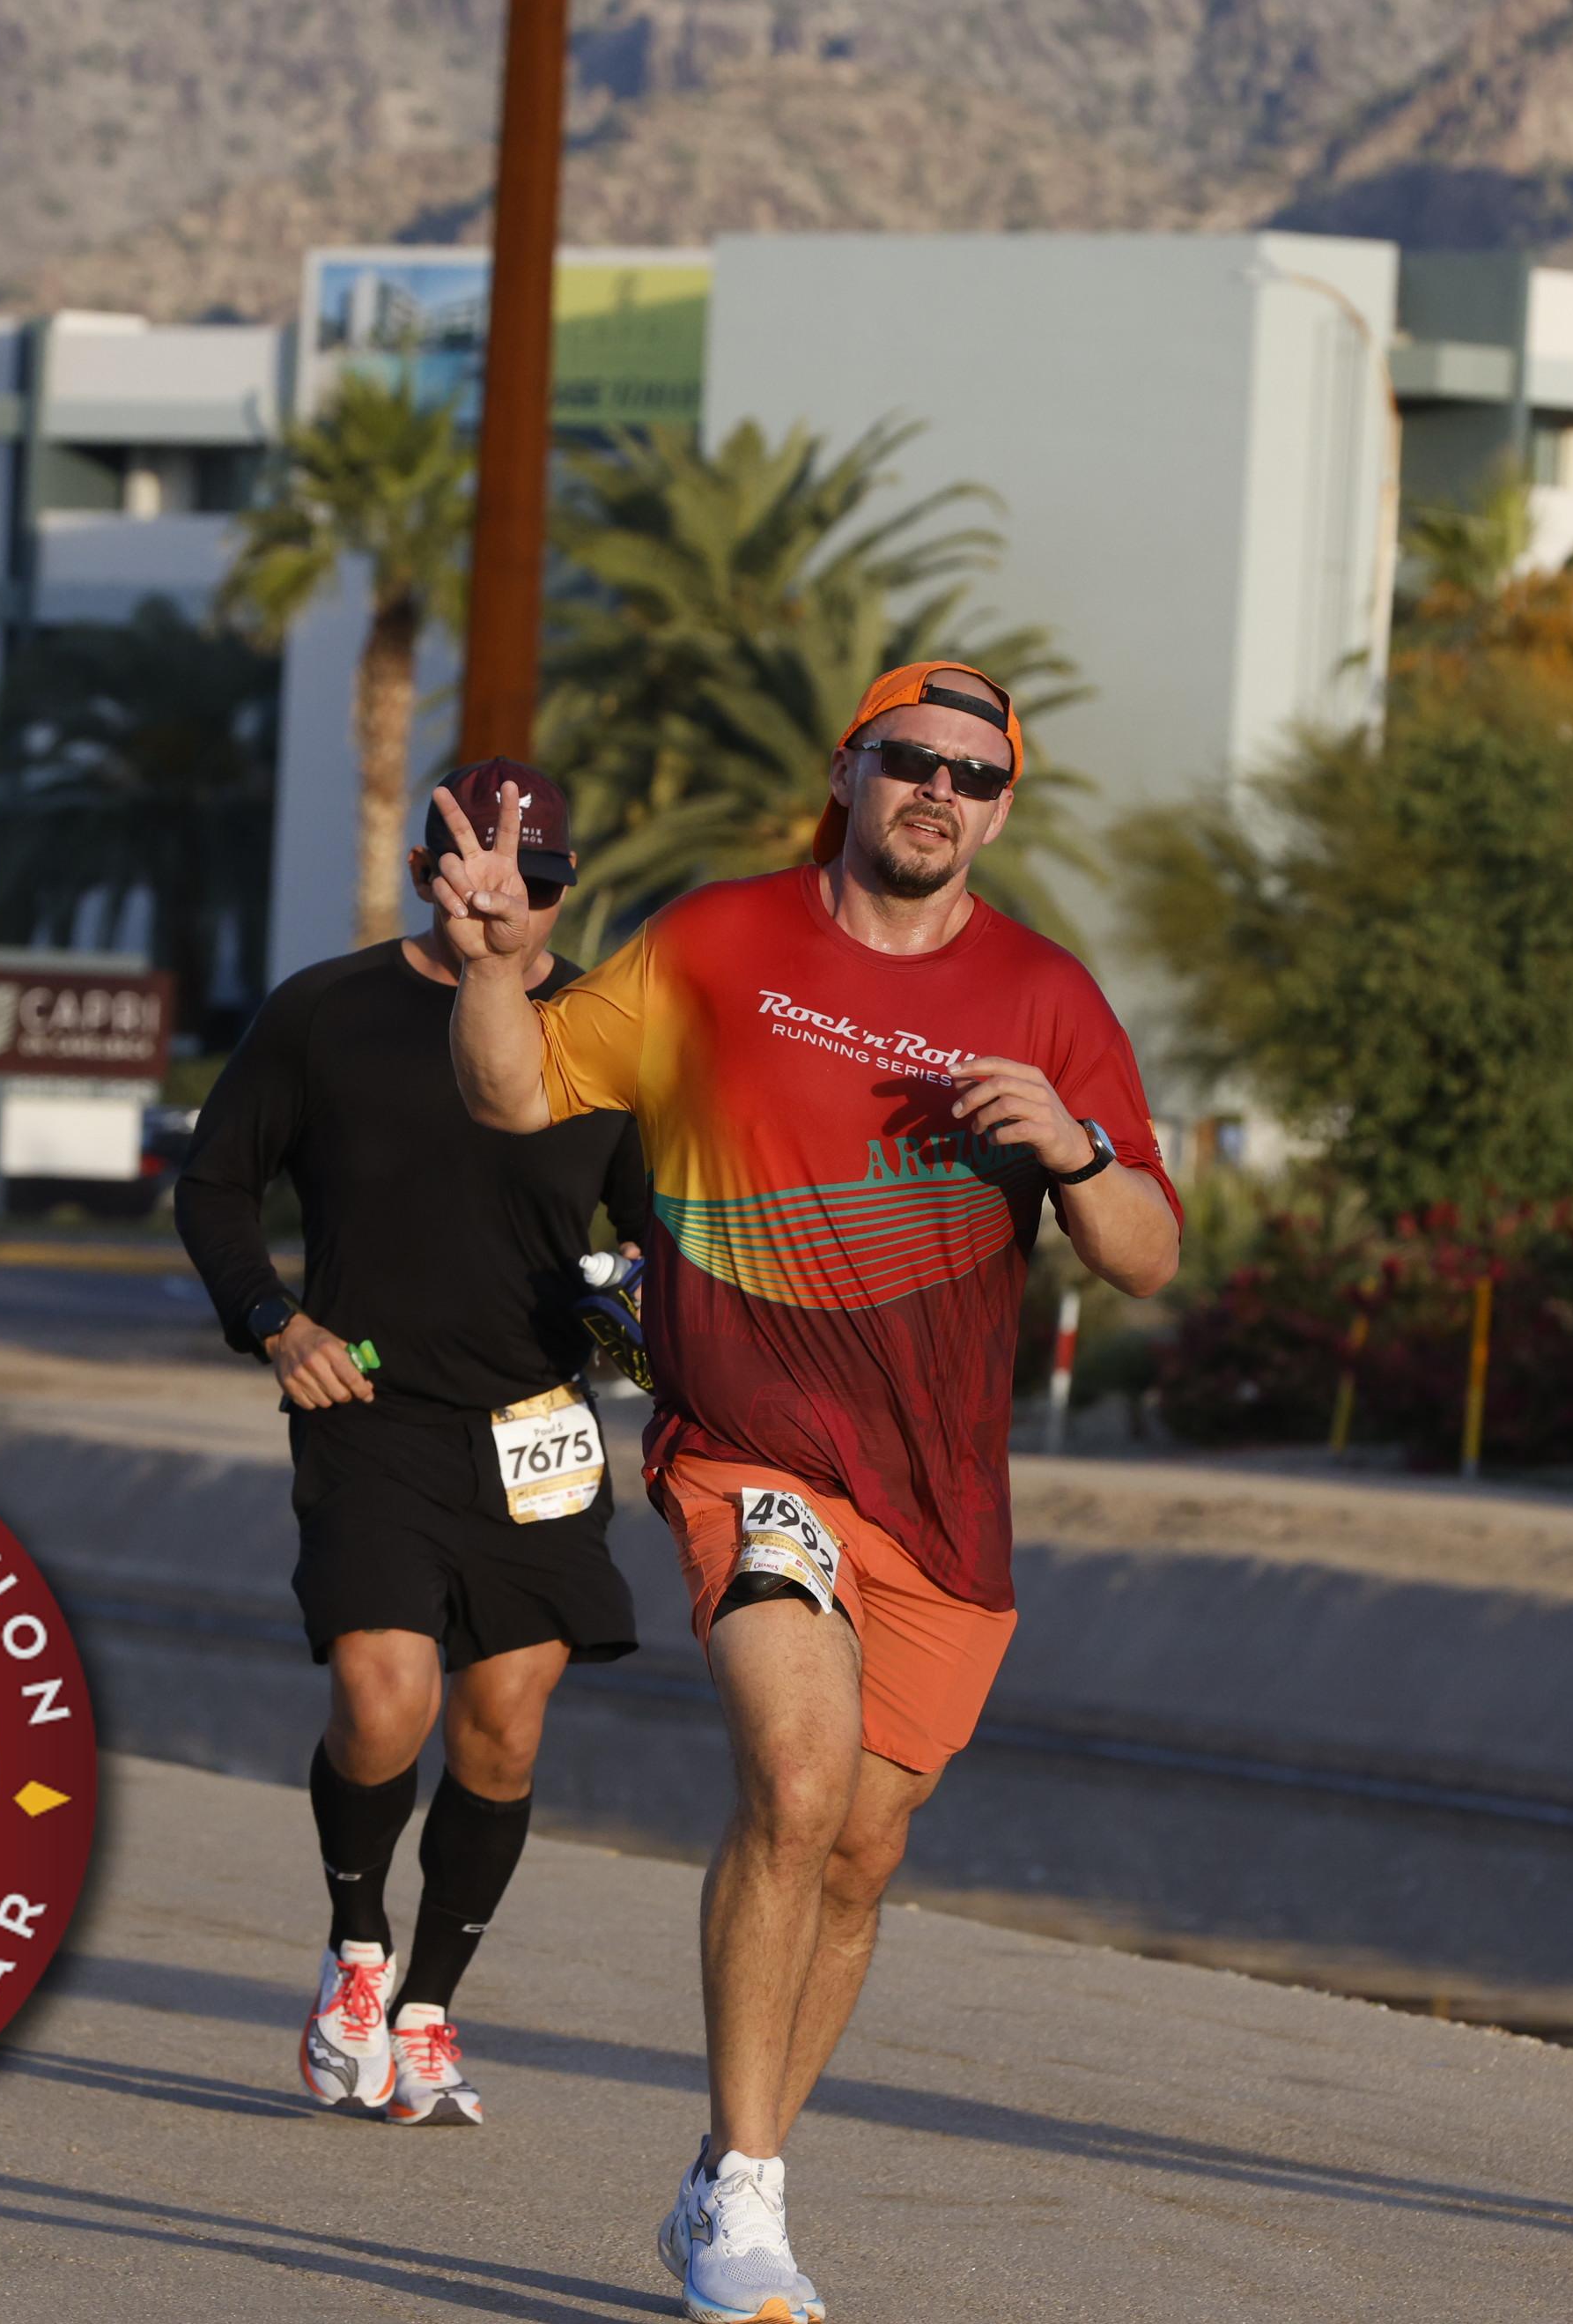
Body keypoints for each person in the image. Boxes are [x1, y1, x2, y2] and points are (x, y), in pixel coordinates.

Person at [430, 664, 1181, 2321]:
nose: (940, 793)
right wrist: (488, 966)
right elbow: (512, 1091)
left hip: (939, 1497)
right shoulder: (717, 940)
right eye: (911, 760)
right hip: (750, 1443)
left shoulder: (1045, 993)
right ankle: (755, 2200)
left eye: (976, 776)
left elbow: (1146, 1254)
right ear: (848, 770)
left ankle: (716, 2174)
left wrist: (1073, 1150)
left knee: (860, 1846)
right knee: (793, 1774)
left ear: (1002, 809)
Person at [175, 758, 654, 2128]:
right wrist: (275, 1322)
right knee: (384, 1698)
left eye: (532, 883)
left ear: (564, 889)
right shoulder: (326, 1011)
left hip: (538, 1429)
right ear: (425, 877)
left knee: (502, 1727)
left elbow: (658, 1226)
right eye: (474, 876)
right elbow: (214, 1186)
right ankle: (355, 1954)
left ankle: (430, 2011)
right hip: (368, 1410)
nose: (502, 904)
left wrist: (641, 1303)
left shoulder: (604, 1036)